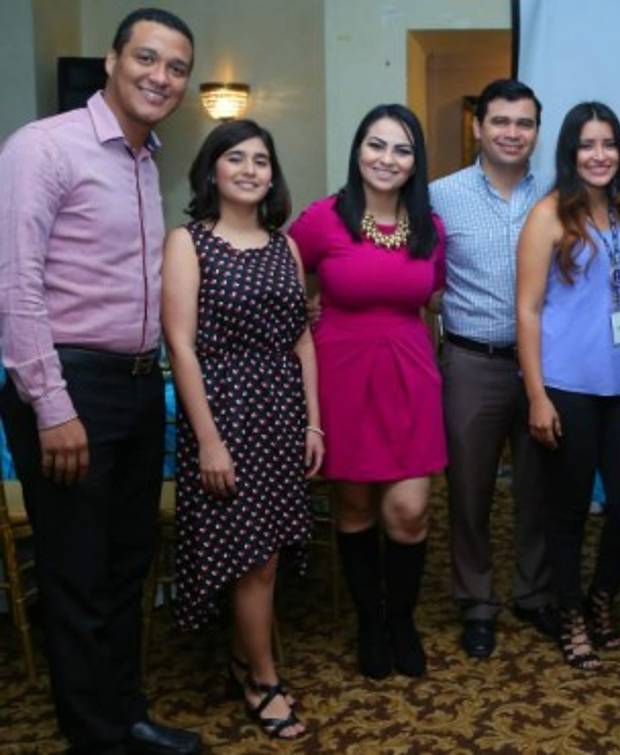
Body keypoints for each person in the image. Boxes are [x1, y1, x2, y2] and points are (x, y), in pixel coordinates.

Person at [0, 9, 202, 754]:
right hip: (71, 386)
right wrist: (51, 405)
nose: (161, 77)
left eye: (176, 68)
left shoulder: (146, 160)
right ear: (113, 60)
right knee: (77, 573)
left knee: (125, 566)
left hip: (138, 386)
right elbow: (15, 287)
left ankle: (127, 715)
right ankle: (95, 736)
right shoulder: (43, 148)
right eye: (147, 59)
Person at [163, 119, 317, 740]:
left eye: (262, 160)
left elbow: (302, 337)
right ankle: (262, 677)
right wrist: (206, 439)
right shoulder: (189, 241)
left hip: (281, 412)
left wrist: (317, 423)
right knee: (250, 557)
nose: (252, 169)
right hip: (222, 411)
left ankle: (245, 660)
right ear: (213, 170)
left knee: (268, 555)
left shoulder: (286, 245)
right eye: (237, 158)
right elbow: (179, 343)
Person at [287, 104, 445, 680]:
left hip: (410, 377)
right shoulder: (323, 218)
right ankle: (369, 623)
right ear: (358, 151)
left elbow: (432, 296)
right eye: (376, 145)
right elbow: (280, 273)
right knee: (353, 508)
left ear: (415, 162)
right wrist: (302, 314)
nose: (387, 159)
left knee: (409, 509)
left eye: (402, 150)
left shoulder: (430, 226)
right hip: (341, 377)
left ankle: (400, 619)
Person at [515, 102, 620, 671]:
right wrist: (537, 395)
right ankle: (568, 613)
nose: (599, 155)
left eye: (609, 144)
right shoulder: (549, 214)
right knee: (566, 512)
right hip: (567, 384)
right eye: (587, 146)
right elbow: (525, 310)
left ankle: (601, 596)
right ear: (570, 153)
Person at [430, 79, 556, 658]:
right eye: (500, 121)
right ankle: (477, 601)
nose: (512, 133)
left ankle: (533, 594)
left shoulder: (558, 197)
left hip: (544, 368)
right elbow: (414, 274)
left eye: (524, 123)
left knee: (540, 488)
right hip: (471, 362)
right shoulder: (438, 196)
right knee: (470, 489)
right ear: (478, 126)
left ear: (537, 131)